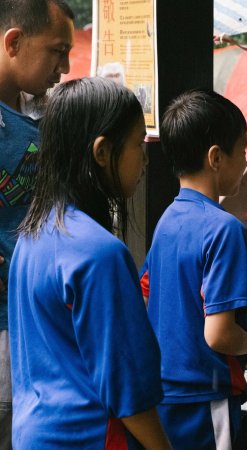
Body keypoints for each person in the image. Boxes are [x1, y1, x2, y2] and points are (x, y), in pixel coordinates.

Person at [8, 77, 171, 449]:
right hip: (90, 437)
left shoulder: (31, 236)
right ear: (102, 151)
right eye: (137, 144)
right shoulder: (99, 253)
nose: (145, 159)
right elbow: (128, 392)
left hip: (34, 435)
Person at [139, 88, 247, 449]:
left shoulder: (168, 219)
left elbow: (146, 291)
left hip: (162, 396)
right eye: (242, 149)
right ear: (216, 158)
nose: (245, 160)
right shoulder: (223, 228)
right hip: (204, 397)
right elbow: (218, 335)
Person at [0, 1, 74, 448]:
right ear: (14, 43)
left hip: (34, 313)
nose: (64, 67)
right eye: (56, 51)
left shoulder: (38, 112)